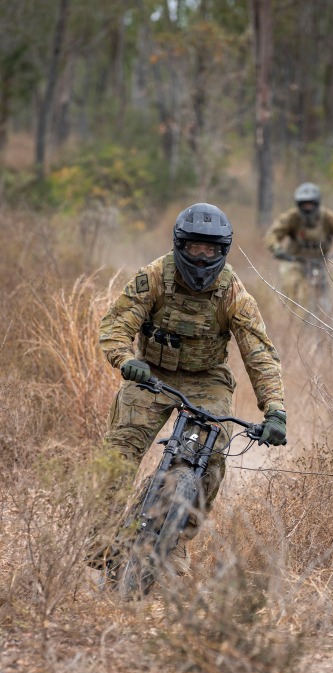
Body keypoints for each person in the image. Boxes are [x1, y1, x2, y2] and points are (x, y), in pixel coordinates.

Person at [98, 202, 286, 571]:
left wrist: (276, 410)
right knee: (120, 450)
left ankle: (178, 538)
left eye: (211, 250)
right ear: (180, 245)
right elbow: (116, 325)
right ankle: (100, 538)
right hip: (150, 374)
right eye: (195, 248)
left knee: (212, 457)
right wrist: (125, 359)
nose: (202, 257)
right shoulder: (154, 276)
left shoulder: (232, 292)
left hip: (206, 379)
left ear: (223, 251)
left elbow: (260, 353)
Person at [264, 182, 333, 314]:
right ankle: (292, 321)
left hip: (319, 262)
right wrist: (277, 249)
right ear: (298, 204)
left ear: (317, 203)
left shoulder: (328, 218)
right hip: (294, 261)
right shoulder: (291, 217)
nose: (307, 207)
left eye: (310, 204)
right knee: (291, 288)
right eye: (304, 204)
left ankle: (326, 323)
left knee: (322, 297)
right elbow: (271, 235)